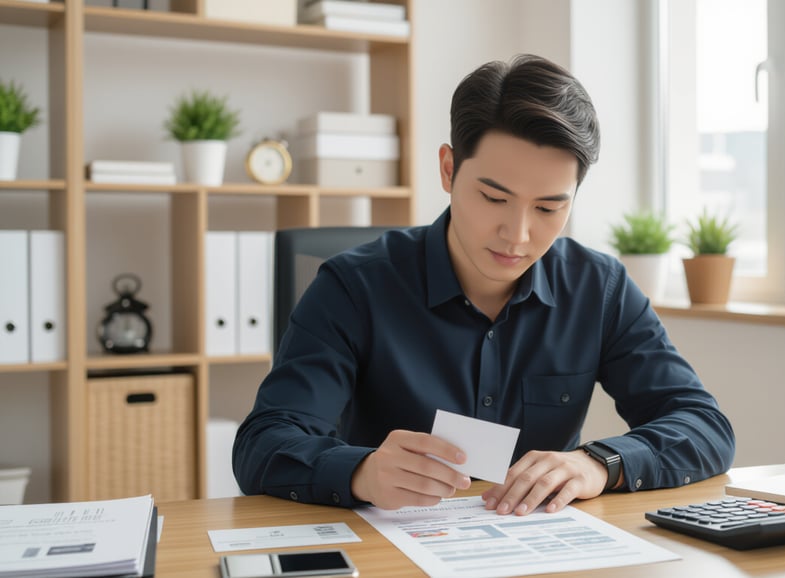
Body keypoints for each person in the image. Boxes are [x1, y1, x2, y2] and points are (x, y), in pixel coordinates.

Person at [233, 54, 735, 516]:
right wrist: (361, 472)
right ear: (448, 169)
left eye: (548, 207)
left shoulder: (598, 288)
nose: (517, 235)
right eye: (495, 199)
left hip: (541, 549)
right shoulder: (352, 287)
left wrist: (600, 463)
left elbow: (703, 425)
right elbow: (264, 442)